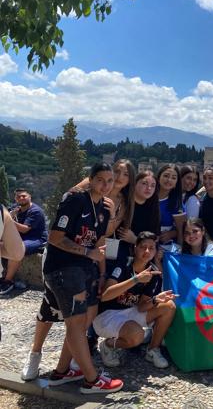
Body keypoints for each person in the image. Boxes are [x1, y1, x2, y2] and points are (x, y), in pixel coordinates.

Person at [42, 162, 123, 394]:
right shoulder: (75, 200)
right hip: (64, 268)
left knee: (83, 321)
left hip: (85, 270)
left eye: (110, 181)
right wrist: (88, 253)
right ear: (91, 179)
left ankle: (61, 372)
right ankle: (91, 380)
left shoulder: (105, 207)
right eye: (100, 180)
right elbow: (55, 237)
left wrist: (100, 272)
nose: (105, 185)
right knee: (76, 324)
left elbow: (98, 240)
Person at [95, 231, 176, 369]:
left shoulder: (153, 273)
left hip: (131, 311)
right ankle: (108, 345)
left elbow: (141, 307)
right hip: (107, 315)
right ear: (135, 248)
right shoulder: (123, 265)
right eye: (143, 247)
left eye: (151, 248)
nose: (147, 251)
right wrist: (136, 279)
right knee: (137, 336)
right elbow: (105, 295)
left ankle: (153, 349)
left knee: (168, 305)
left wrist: (156, 299)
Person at [1, 189, 48, 294]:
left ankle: (8, 281)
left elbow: (25, 229)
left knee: (17, 249)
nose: (21, 198)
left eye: (23, 196)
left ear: (29, 197)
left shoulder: (35, 211)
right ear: (15, 199)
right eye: (18, 197)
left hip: (36, 239)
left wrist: (10, 219)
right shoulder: (14, 208)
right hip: (19, 237)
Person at [156, 164, 183, 249]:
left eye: (174, 178)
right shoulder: (147, 196)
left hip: (165, 249)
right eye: (166, 176)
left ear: (176, 183)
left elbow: (181, 230)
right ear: (159, 177)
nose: (169, 180)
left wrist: (172, 233)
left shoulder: (176, 204)